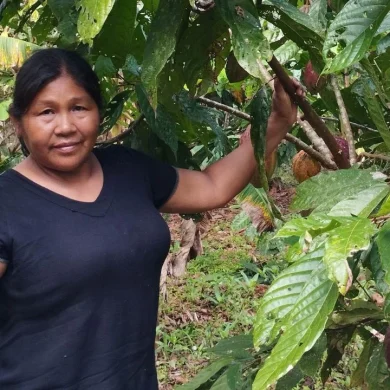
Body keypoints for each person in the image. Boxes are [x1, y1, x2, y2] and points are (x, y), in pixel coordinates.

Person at [0, 48, 303, 389]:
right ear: (18, 123)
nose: (66, 126)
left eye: (79, 107)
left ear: (99, 111)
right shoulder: (7, 204)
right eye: (46, 112)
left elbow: (212, 187)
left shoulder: (127, 169)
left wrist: (277, 121)